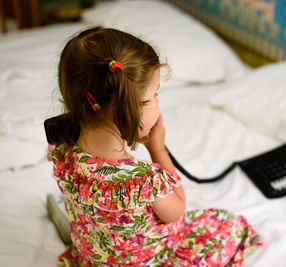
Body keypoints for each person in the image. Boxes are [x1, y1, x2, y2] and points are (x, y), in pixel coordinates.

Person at [47, 26, 263, 266]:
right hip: (151, 259)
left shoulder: (61, 153)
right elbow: (176, 212)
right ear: (128, 108)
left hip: (93, 258)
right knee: (227, 223)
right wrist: (157, 148)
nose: (158, 101)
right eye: (153, 96)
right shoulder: (144, 180)